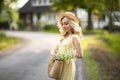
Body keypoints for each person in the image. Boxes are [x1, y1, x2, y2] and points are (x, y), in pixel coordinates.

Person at [50, 12, 83, 80]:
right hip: (59, 65)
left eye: (66, 23)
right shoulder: (62, 37)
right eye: (62, 24)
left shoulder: (75, 37)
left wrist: (64, 55)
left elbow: (80, 54)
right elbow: (55, 50)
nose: (63, 26)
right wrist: (53, 53)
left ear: (72, 23)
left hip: (68, 67)